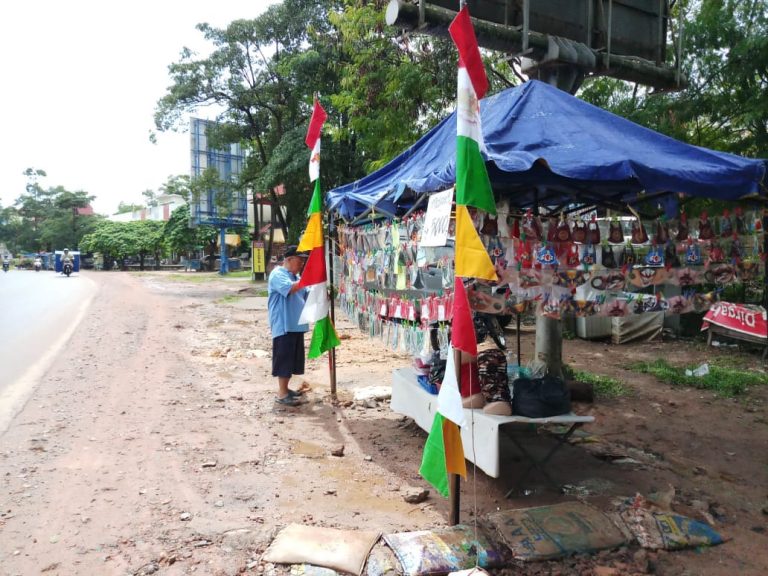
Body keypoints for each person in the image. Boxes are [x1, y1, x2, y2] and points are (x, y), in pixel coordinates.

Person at [267, 245, 310, 406]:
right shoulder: (278, 274)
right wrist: (308, 278)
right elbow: (290, 289)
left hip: (296, 324)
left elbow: (306, 292)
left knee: (292, 360)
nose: (302, 264)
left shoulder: (295, 277)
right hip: (283, 324)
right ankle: (282, 394)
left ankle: (286, 389)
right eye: (300, 261)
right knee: (284, 359)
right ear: (289, 260)